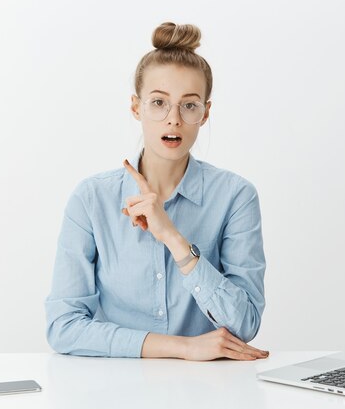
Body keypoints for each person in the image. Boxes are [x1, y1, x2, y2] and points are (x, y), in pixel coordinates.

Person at [45, 22, 268, 361]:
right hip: (115, 387)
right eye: (159, 103)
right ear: (137, 108)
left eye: (189, 105)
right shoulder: (91, 200)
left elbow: (245, 323)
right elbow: (63, 327)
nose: (173, 119)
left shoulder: (235, 197)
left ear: (205, 113)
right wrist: (183, 348)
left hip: (210, 388)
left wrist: (175, 241)